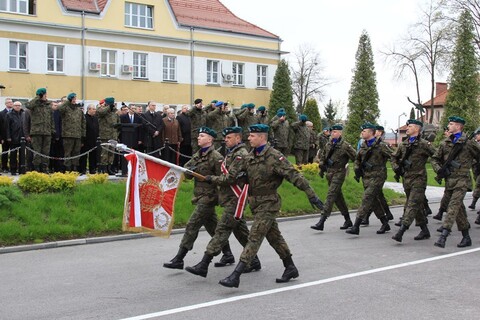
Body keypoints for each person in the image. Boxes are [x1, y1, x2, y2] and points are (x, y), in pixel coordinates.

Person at [218, 124, 324, 288]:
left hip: (269, 203)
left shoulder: (274, 156)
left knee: (255, 236)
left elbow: (294, 175)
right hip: (256, 203)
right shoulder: (250, 156)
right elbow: (238, 177)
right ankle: (290, 267)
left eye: (252, 136)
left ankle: (236, 275)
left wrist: (312, 195)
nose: (249, 138)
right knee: (274, 237)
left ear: (262, 137)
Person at [185, 126, 261, 278]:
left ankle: (204, 264)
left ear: (237, 138)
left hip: (236, 199)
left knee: (222, 229)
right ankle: (254, 261)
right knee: (241, 232)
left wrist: (209, 178)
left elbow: (230, 178)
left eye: (229, 138)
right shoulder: (232, 153)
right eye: (225, 138)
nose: (225, 140)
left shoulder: (241, 154)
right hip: (229, 198)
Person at [163, 127, 230, 270]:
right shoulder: (197, 155)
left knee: (192, 225)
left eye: (202, 136)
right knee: (214, 228)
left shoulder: (216, 157)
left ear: (210, 139)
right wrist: (190, 170)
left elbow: (224, 179)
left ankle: (179, 258)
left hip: (209, 197)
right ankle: (228, 254)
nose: (198, 138)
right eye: (199, 136)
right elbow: (186, 173)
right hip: (199, 196)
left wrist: (211, 179)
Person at [431, 116, 480, 248]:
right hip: (449, 181)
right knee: (459, 210)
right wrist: (439, 170)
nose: (449, 126)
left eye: (451, 124)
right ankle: (466, 237)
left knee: (453, 206)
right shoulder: (445, 143)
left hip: (462, 180)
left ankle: (444, 235)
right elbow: (434, 159)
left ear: (458, 126)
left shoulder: (468, 143)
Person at [390, 119, 436, 242]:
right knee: (417, 205)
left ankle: (401, 231)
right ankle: (424, 230)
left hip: (419, 179)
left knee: (412, 204)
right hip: (407, 178)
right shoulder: (403, 144)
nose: (407, 128)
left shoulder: (424, 144)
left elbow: (436, 156)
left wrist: (438, 169)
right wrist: (396, 168)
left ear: (417, 129)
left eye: (410, 126)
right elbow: (393, 157)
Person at [346, 122, 393, 236]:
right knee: (374, 201)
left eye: (364, 131)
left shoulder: (381, 145)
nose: (362, 132)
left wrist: (397, 168)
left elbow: (393, 156)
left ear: (371, 133)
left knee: (366, 198)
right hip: (366, 176)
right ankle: (385, 223)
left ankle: (356, 226)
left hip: (378, 176)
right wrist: (357, 169)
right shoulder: (364, 145)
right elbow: (357, 159)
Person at [311, 124, 356, 231]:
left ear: (340, 133)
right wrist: (322, 167)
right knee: (337, 197)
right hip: (330, 173)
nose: (332, 133)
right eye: (332, 132)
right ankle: (348, 220)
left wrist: (357, 168)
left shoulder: (345, 146)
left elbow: (356, 157)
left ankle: (322, 221)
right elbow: (323, 157)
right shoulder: (328, 144)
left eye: (335, 132)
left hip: (339, 173)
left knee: (331, 195)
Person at [25, 88, 54, 173]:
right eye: (44, 95)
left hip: (47, 132)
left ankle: (45, 168)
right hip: (36, 131)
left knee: (46, 152)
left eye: (45, 94)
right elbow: (28, 105)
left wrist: (52, 130)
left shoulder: (48, 105)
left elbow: (51, 118)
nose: (46, 96)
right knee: (37, 152)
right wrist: (37, 97)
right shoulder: (34, 104)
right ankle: (37, 168)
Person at [57, 93, 86, 172]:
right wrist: (67, 101)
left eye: (75, 98)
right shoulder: (65, 108)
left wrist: (83, 135)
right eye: (72, 99)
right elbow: (59, 108)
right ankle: (68, 168)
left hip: (77, 135)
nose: (74, 100)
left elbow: (83, 123)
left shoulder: (79, 110)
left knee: (76, 153)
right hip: (68, 135)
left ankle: (75, 168)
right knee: (68, 153)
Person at [96, 97, 118, 175]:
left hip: (113, 134)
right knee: (105, 152)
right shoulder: (101, 109)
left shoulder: (114, 111)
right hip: (105, 134)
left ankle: (109, 168)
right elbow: (100, 112)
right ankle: (104, 169)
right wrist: (108, 107)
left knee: (111, 153)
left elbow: (117, 121)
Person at [4, 101, 24, 175]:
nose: (18, 107)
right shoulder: (9, 114)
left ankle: (21, 170)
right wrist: (8, 137)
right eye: (16, 105)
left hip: (22, 138)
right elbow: (7, 127)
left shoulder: (23, 113)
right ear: (13, 106)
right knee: (13, 155)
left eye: (19, 105)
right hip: (13, 137)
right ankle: (13, 170)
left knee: (22, 155)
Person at [79, 104, 99, 174]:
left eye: (94, 109)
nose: (94, 110)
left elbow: (97, 129)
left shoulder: (95, 118)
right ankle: (82, 169)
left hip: (94, 139)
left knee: (93, 155)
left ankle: (92, 169)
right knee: (83, 156)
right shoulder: (84, 117)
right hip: (86, 139)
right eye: (93, 109)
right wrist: (82, 140)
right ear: (89, 109)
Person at [0, 98, 13, 172]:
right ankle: (4, 167)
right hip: (4, 137)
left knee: (13, 153)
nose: (10, 104)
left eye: (11, 102)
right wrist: (1, 138)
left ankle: (12, 167)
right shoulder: (1, 113)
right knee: (5, 152)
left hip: (13, 137)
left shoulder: (15, 113)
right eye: (8, 102)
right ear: (5, 104)